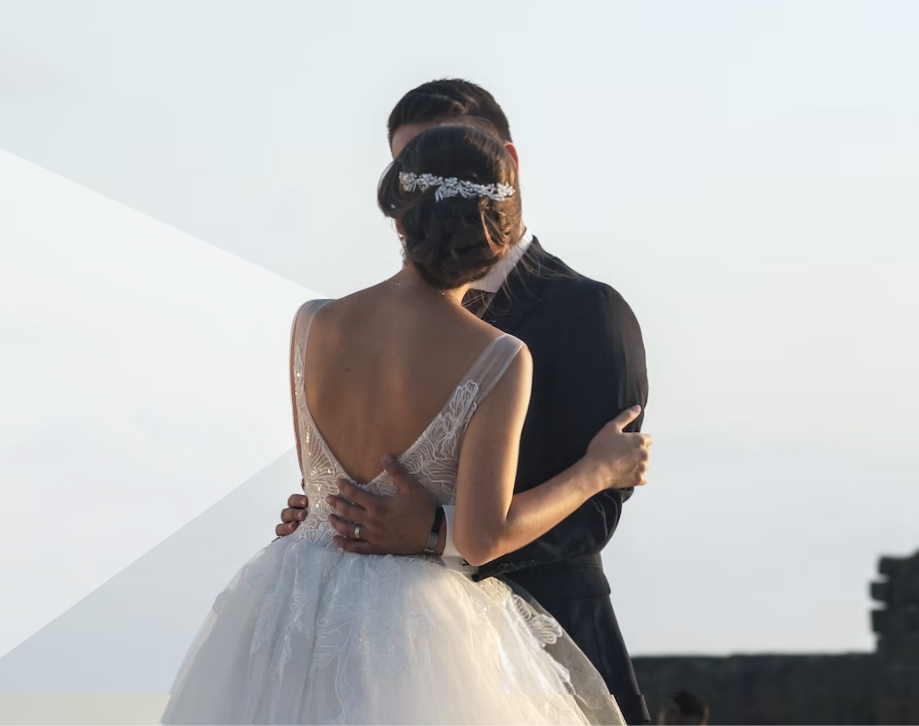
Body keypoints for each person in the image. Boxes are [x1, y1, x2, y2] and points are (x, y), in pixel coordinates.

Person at [162, 119, 649, 724]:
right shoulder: (498, 356)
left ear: (398, 218)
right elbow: (481, 538)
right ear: (497, 231)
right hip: (410, 631)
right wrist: (596, 472)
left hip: (288, 604)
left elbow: (323, 488)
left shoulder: (312, 323)